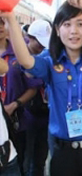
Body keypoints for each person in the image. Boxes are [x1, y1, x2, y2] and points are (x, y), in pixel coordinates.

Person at [1, 0, 82, 176]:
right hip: (63, 152)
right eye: (67, 24)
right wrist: (10, 19)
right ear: (57, 31)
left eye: (80, 24)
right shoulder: (50, 60)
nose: (73, 31)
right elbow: (26, 61)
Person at [0, 17, 40, 174]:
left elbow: (33, 88)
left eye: (3, 22)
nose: (0, 27)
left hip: (17, 120)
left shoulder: (19, 53)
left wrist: (14, 104)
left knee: (22, 161)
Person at [24, 19, 52, 176]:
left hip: (45, 116)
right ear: (29, 37)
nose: (42, 48)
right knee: (26, 161)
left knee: (40, 161)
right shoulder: (20, 58)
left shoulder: (48, 56)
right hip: (27, 118)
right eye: (39, 43)